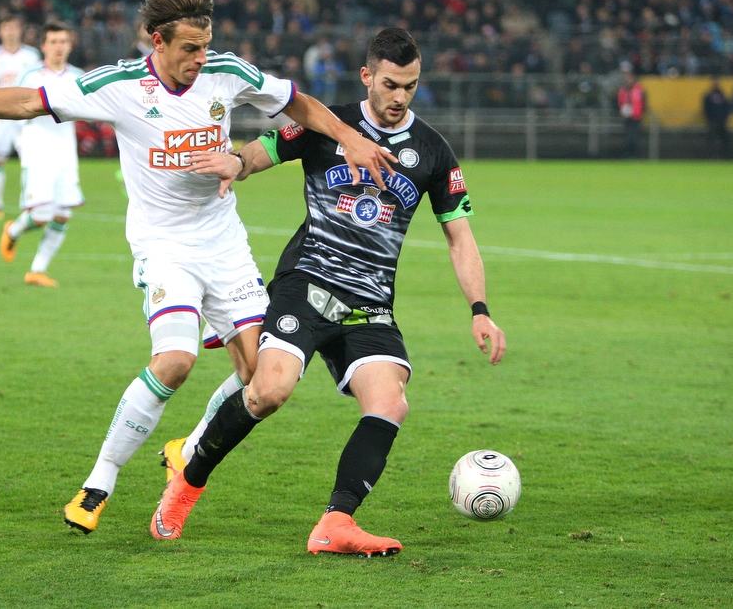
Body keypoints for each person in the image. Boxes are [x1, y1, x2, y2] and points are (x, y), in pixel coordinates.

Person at [0, 0, 393, 535]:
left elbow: (294, 101)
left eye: (205, 47)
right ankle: (99, 481)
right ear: (158, 41)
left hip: (224, 244)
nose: (200, 60)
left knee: (262, 383)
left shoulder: (228, 72)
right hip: (163, 246)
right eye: (189, 49)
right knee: (176, 361)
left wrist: (347, 135)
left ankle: (191, 448)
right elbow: (25, 101)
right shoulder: (119, 84)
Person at [150, 28, 506, 557]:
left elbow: (460, 236)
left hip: (371, 303)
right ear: (367, 76)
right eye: (389, 84)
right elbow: (264, 150)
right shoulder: (327, 125)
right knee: (269, 391)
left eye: (409, 86)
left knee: (390, 403)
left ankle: (335, 523)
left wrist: (480, 310)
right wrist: (237, 164)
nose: (399, 96)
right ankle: (187, 482)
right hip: (308, 283)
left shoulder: (433, 151)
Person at [0, 21, 85, 288]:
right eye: (54, 42)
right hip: (37, 152)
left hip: (66, 154)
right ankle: (12, 230)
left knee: (62, 215)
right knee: (40, 215)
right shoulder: (31, 76)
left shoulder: (78, 77)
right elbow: (12, 111)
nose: (59, 47)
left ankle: (36, 270)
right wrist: (22, 145)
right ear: (44, 46)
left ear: (70, 45)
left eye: (64, 41)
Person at [0, 16, 42, 220]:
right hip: (0, 115)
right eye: (6, 28)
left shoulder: (32, 56)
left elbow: (38, 85)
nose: (11, 32)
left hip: (25, 115)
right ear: (0, 32)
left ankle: (29, 202)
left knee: (30, 159)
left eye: (14, 28)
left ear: (20, 31)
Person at [616, 68, 646, 158]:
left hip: (636, 116)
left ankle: (634, 155)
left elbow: (644, 102)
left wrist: (641, 113)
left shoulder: (639, 89)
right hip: (626, 117)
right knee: (627, 137)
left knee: (633, 137)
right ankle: (629, 155)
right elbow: (619, 102)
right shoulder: (623, 90)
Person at [702, 78, 732, 159]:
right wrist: (709, 118)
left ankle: (727, 157)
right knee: (711, 140)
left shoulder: (723, 95)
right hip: (713, 121)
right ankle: (709, 157)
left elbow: (727, 107)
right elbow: (706, 108)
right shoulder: (708, 96)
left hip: (722, 121)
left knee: (725, 140)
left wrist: (725, 118)